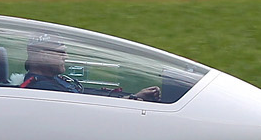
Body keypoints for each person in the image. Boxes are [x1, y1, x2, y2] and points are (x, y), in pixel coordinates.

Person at [22, 35, 160, 100]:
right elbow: (87, 109)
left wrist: (132, 96)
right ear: (42, 56)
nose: (66, 57)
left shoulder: (56, 80)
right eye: (61, 52)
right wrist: (133, 99)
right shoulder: (43, 89)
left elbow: (87, 93)